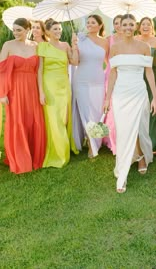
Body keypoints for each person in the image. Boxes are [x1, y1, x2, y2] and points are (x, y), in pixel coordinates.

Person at [104, 14, 156, 194]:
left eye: (130, 24)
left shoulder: (144, 47)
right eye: (124, 24)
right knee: (123, 130)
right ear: (119, 27)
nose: (127, 27)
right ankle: (123, 172)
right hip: (120, 94)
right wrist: (107, 97)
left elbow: (149, 72)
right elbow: (113, 73)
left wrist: (155, 97)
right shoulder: (115, 48)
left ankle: (141, 156)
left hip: (139, 92)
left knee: (139, 128)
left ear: (135, 26)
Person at [0, 18, 46, 174]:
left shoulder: (36, 46)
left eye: (19, 30)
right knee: (18, 121)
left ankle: (33, 155)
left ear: (28, 30)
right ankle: (19, 158)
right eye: (14, 30)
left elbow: (39, 71)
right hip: (15, 89)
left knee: (32, 121)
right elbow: (1, 71)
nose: (15, 33)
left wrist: (41, 92)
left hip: (32, 89)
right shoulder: (8, 45)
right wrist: (2, 93)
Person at [37, 18, 79, 168]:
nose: (58, 31)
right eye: (55, 29)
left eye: (59, 29)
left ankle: (65, 145)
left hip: (64, 85)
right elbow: (39, 70)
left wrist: (74, 46)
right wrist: (41, 91)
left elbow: (74, 62)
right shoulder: (43, 46)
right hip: (49, 85)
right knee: (54, 118)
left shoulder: (65, 45)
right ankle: (59, 153)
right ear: (47, 31)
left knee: (64, 118)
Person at [72, 14, 111, 158]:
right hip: (81, 79)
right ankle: (90, 143)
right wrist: (74, 47)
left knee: (97, 112)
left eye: (92, 22)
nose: (89, 24)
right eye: (87, 22)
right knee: (85, 112)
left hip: (98, 80)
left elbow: (108, 63)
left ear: (100, 25)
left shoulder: (105, 42)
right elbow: (75, 62)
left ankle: (97, 141)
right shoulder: (79, 39)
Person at [135, 17, 156, 153]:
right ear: (139, 27)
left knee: (154, 107)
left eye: (148, 24)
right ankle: (138, 141)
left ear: (153, 28)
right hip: (136, 76)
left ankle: (154, 143)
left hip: (153, 75)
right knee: (139, 108)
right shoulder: (135, 40)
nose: (145, 26)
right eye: (143, 24)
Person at [104, 14, 123, 154]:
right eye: (115, 23)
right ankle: (112, 139)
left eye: (120, 23)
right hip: (111, 75)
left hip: (125, 75)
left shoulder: (131, 40)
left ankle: (123, 136)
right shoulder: (108, 40)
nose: (118, 25)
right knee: (111, 106)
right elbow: (106, 58)